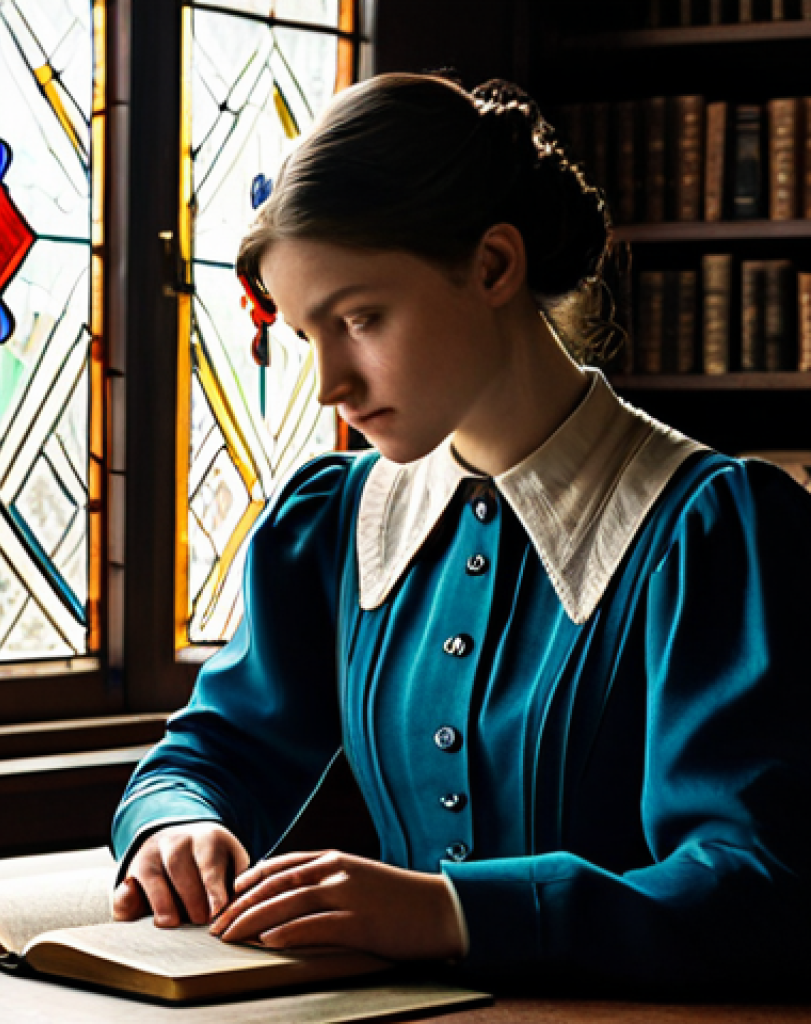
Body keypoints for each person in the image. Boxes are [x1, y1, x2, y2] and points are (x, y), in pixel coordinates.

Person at [110, 74, 811, 995]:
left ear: (492, 266)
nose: (328, 385)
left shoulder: (713, 533)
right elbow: (213, 752)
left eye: (360, 319)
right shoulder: (330, 524)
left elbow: (755, 888)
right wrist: (174, 824)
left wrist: (448, 912)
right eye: (305, 334)